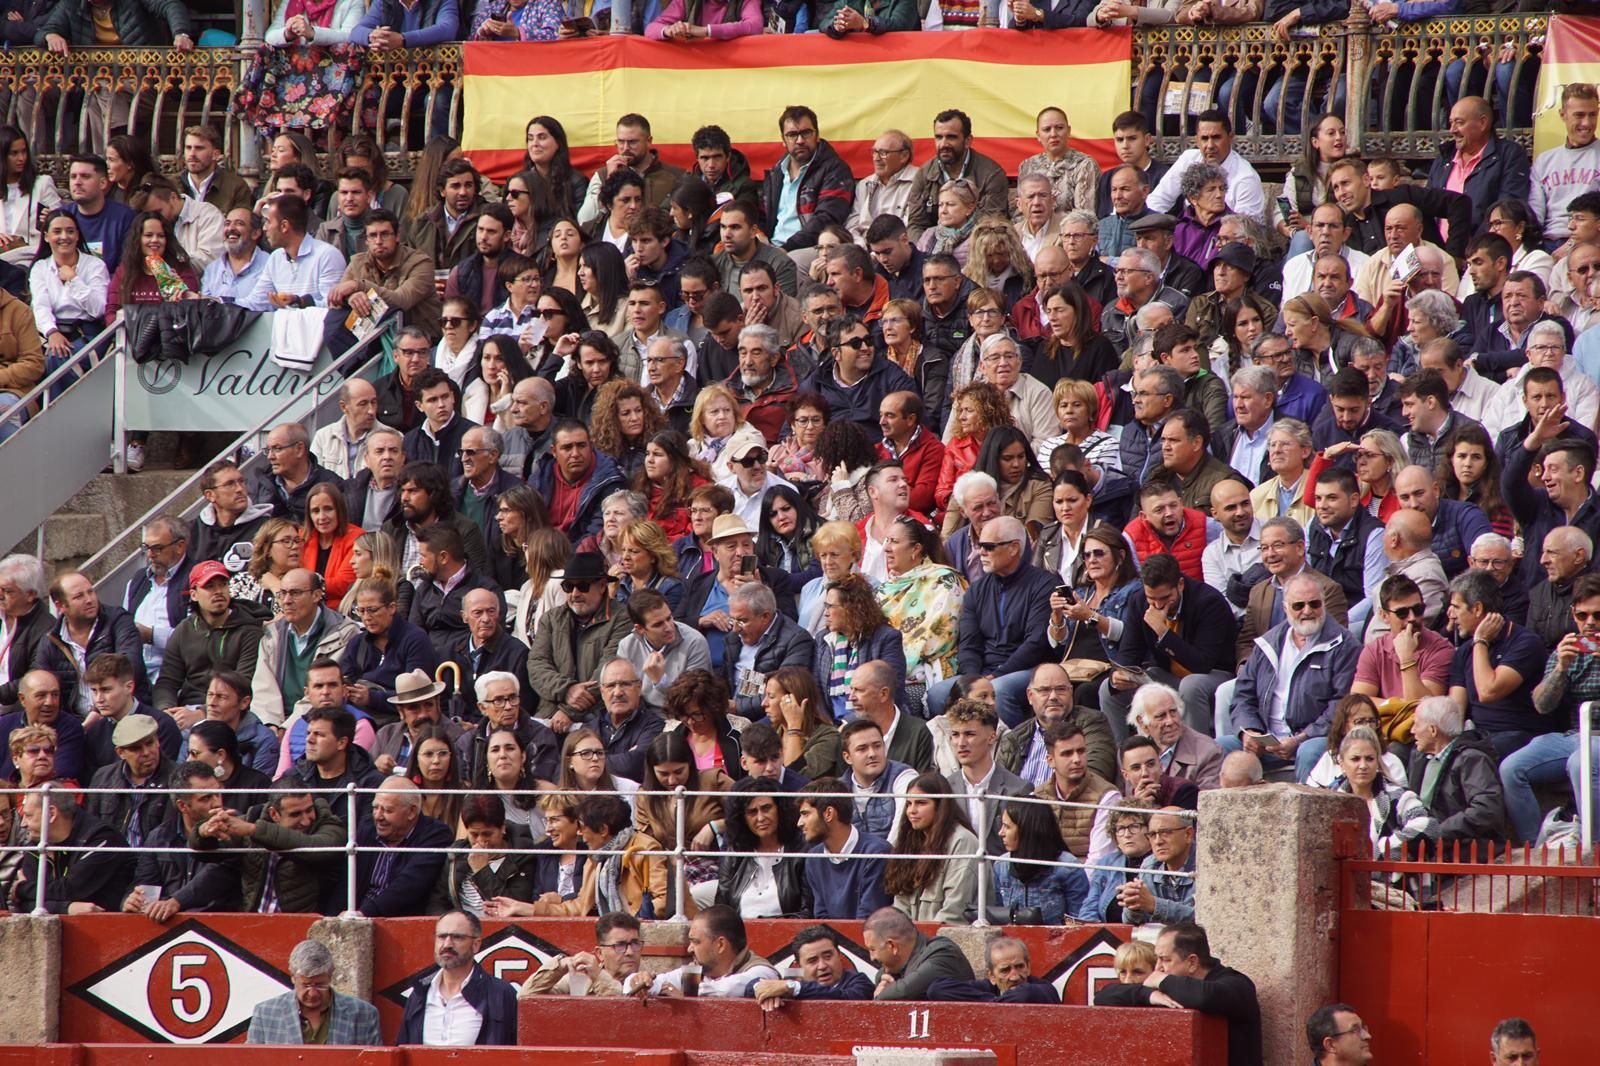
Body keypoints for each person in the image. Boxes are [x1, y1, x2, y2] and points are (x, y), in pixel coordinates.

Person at [1228, 572, 1360, 779]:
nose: (1307, 611)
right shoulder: (1268, 643)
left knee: (1309, 751)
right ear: (1285, 608)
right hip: (1266, 740)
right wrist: (1249, 732)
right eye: (1299, 606)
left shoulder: (1345, 645)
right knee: (1223, 747)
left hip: (1312, 739)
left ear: (1324, 604)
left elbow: (1342, 705)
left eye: (1314, 604)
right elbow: (1243, 694)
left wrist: (1300, 739)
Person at [1101, 553, 1238, 738]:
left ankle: (1197, 757)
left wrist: (1162, 631)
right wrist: (1118, 675)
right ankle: (1124, 759)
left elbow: (1202, 663)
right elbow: (1130, 651)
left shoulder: (1208, 602)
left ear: (1180, 585)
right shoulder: (1139, 600)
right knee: (1108, 690)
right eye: (1152, 598)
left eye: (1165, 597)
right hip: (1169, 675)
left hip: (1214, 676)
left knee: (1191, 685)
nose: (1158, 605)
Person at [1097, 921, 1264, 1066]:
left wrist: (1162, 981)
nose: (1158, 969)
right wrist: (1147, 995)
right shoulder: (1170, 983)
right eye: (1157, 959)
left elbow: (1206, 996)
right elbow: (1103, 996)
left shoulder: (1237, 984)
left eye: (1165, 960)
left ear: (1192, 962)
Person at [1446, 571, 1552, 762]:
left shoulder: (1525, 643)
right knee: (1430, 753)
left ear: (1477, 608)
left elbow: (1488, 692)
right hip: (1479, 734)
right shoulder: (1464, 651)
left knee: (1474, 757)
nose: (1450, 615)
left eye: (1456, 607)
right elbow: (1455, 711)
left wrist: (1480, 642)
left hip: (1522, 735)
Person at [1407, 696, 1508, 859]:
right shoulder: (1420, 759)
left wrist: (1438, 833)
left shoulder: (1471, 759)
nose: (1412, 731)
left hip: (1463, 851)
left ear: (1433, 730)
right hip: (1428, 848)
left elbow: (1486, 810)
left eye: (1416, 724)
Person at [396, 911, 517, 1046]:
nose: (447, 944)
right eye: (442, 937)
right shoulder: (419, 993)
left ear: (476, 945)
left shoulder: (501, 994)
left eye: (457, 937)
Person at [10, 790, 130, 913]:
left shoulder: (102, 838)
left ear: (51, 814)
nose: (23, 824)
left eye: (29, 816)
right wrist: (67, 908)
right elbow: (25, 904)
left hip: (108, 926)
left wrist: (22, 889)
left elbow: (73, 890)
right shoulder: (38, 843)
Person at [883, 772, 979, 923]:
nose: (911, 811)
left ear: (940, 806)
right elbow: (900, 908)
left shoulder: (963, 841)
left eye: (921, 803)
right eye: (909, 804)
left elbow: (954, 912)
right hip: (913, 940)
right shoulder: (911, 842)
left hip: (947, 941)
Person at [628, 904, 779, 996]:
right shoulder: (695, 971)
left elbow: (731, 988)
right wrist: (639, 981)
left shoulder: (762, 971)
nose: (689, 948)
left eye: (695, 942)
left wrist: (688, 995)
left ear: (720, 945)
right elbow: (632, 985)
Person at [862, 906, 975, 1001]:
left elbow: (905, 990)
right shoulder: (891, 971)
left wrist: (879, 997)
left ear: (893, 946)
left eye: (872, 949)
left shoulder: (942, 953)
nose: (872, 958)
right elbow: (883, 980)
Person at [1119, 806, 1195, 924]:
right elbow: (1131, 924)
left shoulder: (1208, 865)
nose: (1158, 841)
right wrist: (1133, 905)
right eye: (1153, 834)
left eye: (1166, 833)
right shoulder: (1150, 865)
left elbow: (1204, 920)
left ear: (1188, 834)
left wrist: (1154, 905)